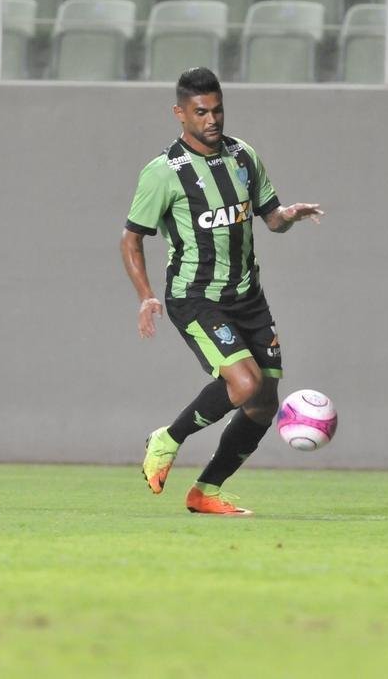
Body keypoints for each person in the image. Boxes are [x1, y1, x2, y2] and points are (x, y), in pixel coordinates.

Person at [120, 67, 323, 516]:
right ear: (180, 113)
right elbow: (131, 239)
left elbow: (271, 218)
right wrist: (145, 295)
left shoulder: (243, 156)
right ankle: (167, 439)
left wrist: (288, 215)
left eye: (217, 110)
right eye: (200, 112)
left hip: (249, 297)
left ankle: (205, 491)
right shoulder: (163, 173)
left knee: (264, 403)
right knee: (245, 383)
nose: (211, 119)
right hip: (195, 296)